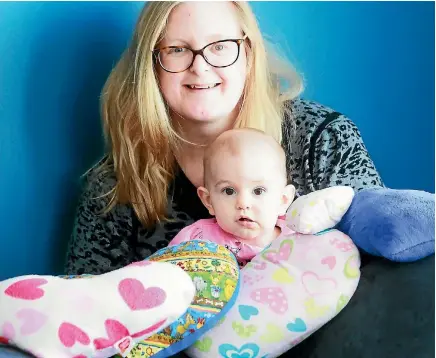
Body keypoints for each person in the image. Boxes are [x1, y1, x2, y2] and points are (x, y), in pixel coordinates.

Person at [3, 2, 431, 358]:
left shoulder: (319, 136)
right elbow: (90, 311)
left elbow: (381, 269)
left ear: (248, 52)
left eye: (221, 46)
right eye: (177, 50)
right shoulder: (116, 182)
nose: (200, 67)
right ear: (152, 63)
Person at [169, 128, 295, 267]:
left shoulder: (298, 240)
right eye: (229, 191)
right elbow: (162, 275)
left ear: (283, 200)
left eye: (258, 191)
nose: (243, 203)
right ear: (208, 201)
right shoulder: (196, 240)